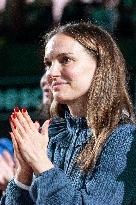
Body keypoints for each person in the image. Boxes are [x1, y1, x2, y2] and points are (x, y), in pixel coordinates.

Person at [1, 22, 136, 205]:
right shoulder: (52, 137)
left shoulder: (124, 137)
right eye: (48, 64)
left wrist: (41, 164)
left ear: (101, 65)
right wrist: (23, 174)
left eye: (65, 60)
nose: (51, 73)